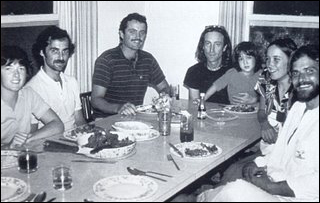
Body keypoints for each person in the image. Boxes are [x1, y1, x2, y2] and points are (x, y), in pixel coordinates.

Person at [196, 45, 319, 202]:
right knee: (233, 182)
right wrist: (256, 163)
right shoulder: (299, 107)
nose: (301, 79)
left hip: (297, 197)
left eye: (309, 71)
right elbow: (281, 149)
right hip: (276, 183)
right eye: (296, 73)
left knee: (235, 190)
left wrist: (270, 187)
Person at [91, 13, 169, 119]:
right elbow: (96, 100)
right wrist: (119, 108)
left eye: (142, 33)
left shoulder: (148, 59)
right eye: (132, 32)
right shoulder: (106, 60)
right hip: (107, 121)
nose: (138, 37)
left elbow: (164, 87)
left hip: (134, 120)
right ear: (121, 34)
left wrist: (164, 96)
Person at [1, 45, 64, 148]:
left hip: (20, 156)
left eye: (21, 68)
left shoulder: (28, 94)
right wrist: (9, 146)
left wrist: (29, 138)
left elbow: (57, 125)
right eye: (9, 69)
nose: (16, 75)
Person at [25, 26, 86, 131]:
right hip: (48, 144)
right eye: (55, 51)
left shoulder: (72, 82)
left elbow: (79, 120)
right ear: (42, 52)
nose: (61, 57)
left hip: (75, 140)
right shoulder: (32, 88)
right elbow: (32, 134)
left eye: (65, 51)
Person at [255, 38, 297, 154]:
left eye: (276, 59)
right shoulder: (266, 78)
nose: (270, 64)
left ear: (291, 61)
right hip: (267, 148)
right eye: (268, 59)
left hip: (289, 152)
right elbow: (262, 110)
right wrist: (265, 124)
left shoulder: (300, 89)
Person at [183, 25, 233, 104]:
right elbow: (195, 106)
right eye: (208, 43)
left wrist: (253, 100)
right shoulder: (194, 72)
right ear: (203, 46)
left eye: (217, 44)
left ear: (224, 48)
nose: (211, 50)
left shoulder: (234, 70)